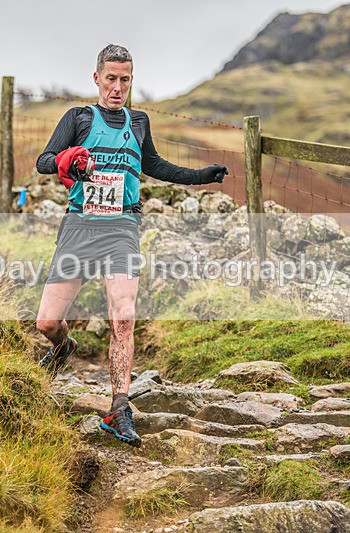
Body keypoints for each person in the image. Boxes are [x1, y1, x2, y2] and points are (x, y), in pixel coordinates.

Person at [35, 44, 228, 447]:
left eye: (125, 79)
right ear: (97, 79)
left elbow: (153, 164)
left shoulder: (138, 123)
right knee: (47, 323)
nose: (117, 87)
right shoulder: (78, 117)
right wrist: (66, 158)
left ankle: (119, 408)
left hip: (123, 224)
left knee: (123, 315)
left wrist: (199, 176)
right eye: (111, 78)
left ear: (131, 80)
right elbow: (44, 160)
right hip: (79, 226)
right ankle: (64, 345)